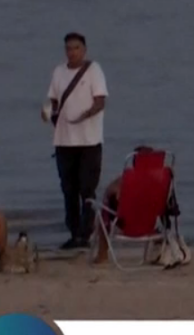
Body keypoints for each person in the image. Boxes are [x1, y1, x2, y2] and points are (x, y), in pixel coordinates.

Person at [43, 32, 108, 250]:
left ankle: (85, 233)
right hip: (63, 142)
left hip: (89, 141)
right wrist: (48, 113)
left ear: (84, 49)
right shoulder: (59, 72)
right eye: (68, 48)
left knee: (87, 189)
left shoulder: (93, 70)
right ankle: (73, 232)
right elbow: (53, 101)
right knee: (68, 189)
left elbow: (100, 101)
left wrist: (86, 115)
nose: (72, 52)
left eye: (76, 48)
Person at [95, 145, 183, 266]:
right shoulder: (163, 182)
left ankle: (102, 254)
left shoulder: (126, 180)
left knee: (104, 207)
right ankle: (159, 243)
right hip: (149, 227)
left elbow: (109, 192)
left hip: (127, 225)